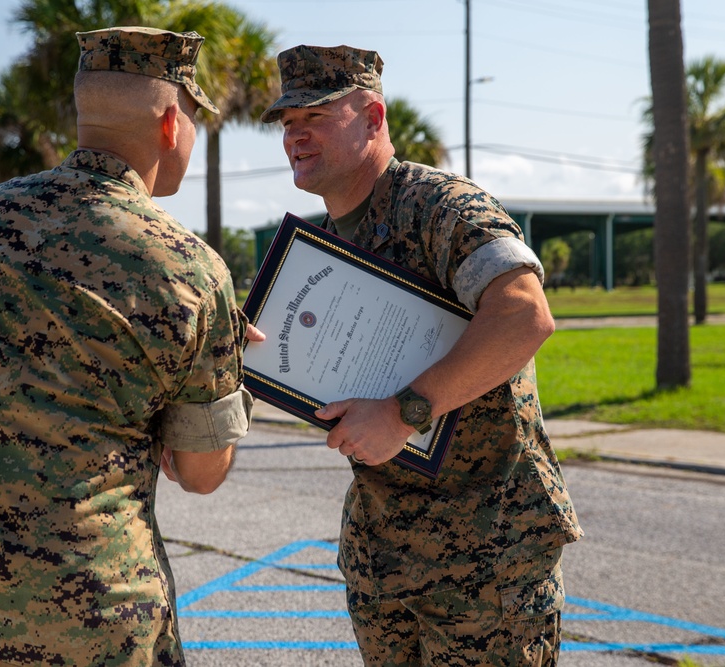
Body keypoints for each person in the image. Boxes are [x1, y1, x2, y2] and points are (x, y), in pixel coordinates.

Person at [0, 26, 254, 666]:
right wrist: (226, 363)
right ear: (171, 123)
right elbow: (202, 473)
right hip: (86, 622)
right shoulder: (189, 270)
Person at [260, 45, 583, 666]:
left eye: (316, 117)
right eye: (288, 122)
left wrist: (402, 413)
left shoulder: (441, 207)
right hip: (383, 558)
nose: (295, 136)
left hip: (486, 562)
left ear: (373, 117)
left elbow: (524, 314)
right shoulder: (320, 248)